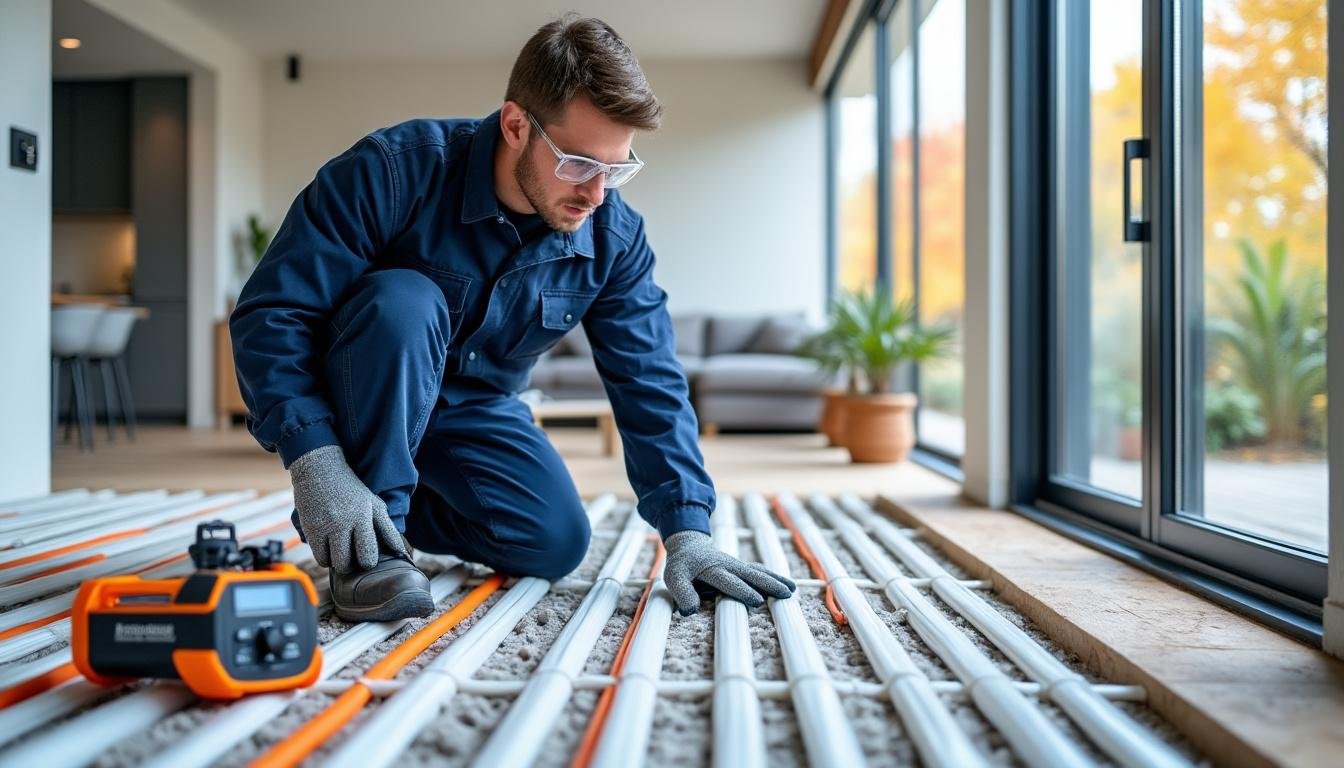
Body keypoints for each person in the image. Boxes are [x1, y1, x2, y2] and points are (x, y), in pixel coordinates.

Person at [230, 15, 796, 622]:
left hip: (474, 407)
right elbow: (274, 312)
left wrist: (688, 530)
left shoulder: (613, 236)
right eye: (580, 163)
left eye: (617, 168)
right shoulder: (393, 170)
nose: (597, 193)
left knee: (554, 540)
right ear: (516, 125)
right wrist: (316, 462)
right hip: (364, 389)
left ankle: (364, 505)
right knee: (405, 301)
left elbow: (649, 378)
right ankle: (372, 555)